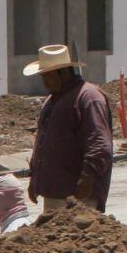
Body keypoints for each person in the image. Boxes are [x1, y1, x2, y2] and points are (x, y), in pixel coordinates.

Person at [24, 44, 113, 213]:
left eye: (48, 77)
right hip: (54, 195)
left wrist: (87, 179)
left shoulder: (89, 98)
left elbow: (100, 145)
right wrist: (35, 179)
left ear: (64, 73)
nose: (45, 83)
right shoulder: (52, 101)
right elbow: (43, 142)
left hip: (77, 199)